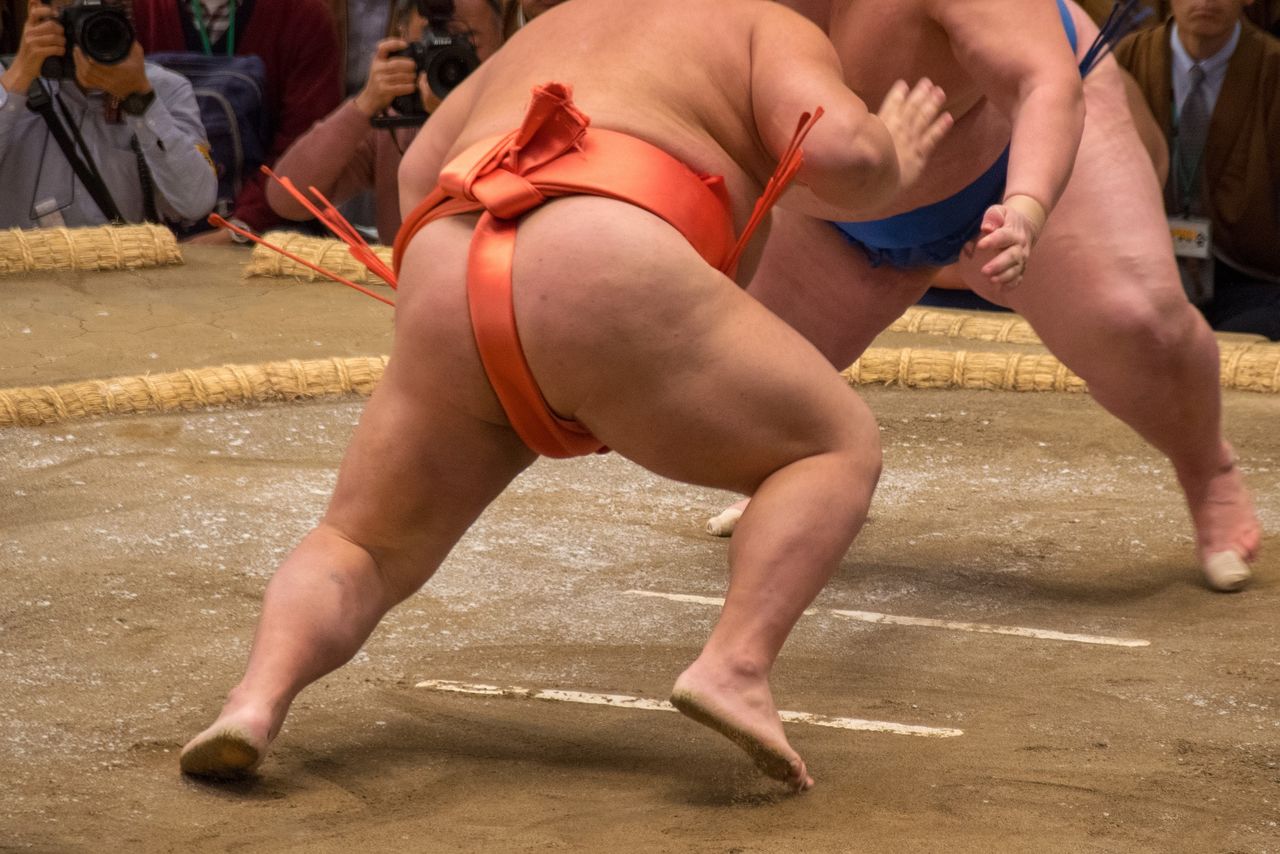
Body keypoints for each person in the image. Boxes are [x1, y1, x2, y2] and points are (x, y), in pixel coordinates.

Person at [177, 0, 954, 791]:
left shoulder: (546, 31)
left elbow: (418, 171)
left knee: (361, 542)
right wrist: (893, 151)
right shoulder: (760, 22)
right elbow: (836, 151)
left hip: (452, 256)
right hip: (607, 252)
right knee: (833, 447)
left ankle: (254, 698)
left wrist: (459, 326)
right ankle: (735, 666)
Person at [706, 0, 1260, 594]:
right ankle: (798, 480)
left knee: (1134, 325)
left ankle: (1208, 472)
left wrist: (1026, 206)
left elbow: (1039, 80)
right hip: (827, 207)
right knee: (742, 372)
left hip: (1016, 148)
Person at [267, 0, 504, 244]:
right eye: (430, 39)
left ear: (502, 41)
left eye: (466, 39)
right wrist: (364, 105)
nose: (447, 53)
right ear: (402, 38)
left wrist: (447, 120)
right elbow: (287, 198)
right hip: (396, 276)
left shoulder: (514, 112)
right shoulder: (395, 120)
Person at [1114, 0, 1280, 339]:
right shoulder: (1129, 57)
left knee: (1257, 329)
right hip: (1147, 264)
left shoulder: (1273, 69)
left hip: (1246, 275)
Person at [131, 0, 343, 242]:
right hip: (153, 225)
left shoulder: (303, 14)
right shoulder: (137, 10)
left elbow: (304, 147)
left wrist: (238, 228)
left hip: (267, 227)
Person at [0, 0, 216, 228]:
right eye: (74, 11)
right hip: (23, 261)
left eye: (106, 11)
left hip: (121, 259)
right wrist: (17, 81)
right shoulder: (8, 80)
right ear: (37, 10)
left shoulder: (164, 88)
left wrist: (140, 101)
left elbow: (197, 203)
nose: (91, 26)